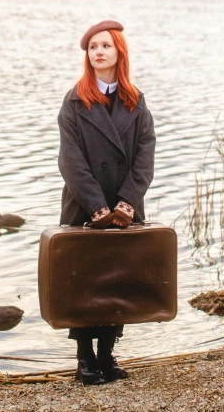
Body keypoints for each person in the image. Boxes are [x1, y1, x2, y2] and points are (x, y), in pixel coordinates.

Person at [57, 19, 156, 385]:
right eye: (93, 47)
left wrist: (127, 202)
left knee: (118, 277)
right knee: (84, 278)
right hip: (86, 205)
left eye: (105, 46)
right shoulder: (74, 101)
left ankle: (107, 354)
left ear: (118, 52)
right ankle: (84, 358)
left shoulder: (135, 100)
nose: (98, 52)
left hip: (124, 206)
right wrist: (97, 207)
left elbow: (146, 153)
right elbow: (70, 160)